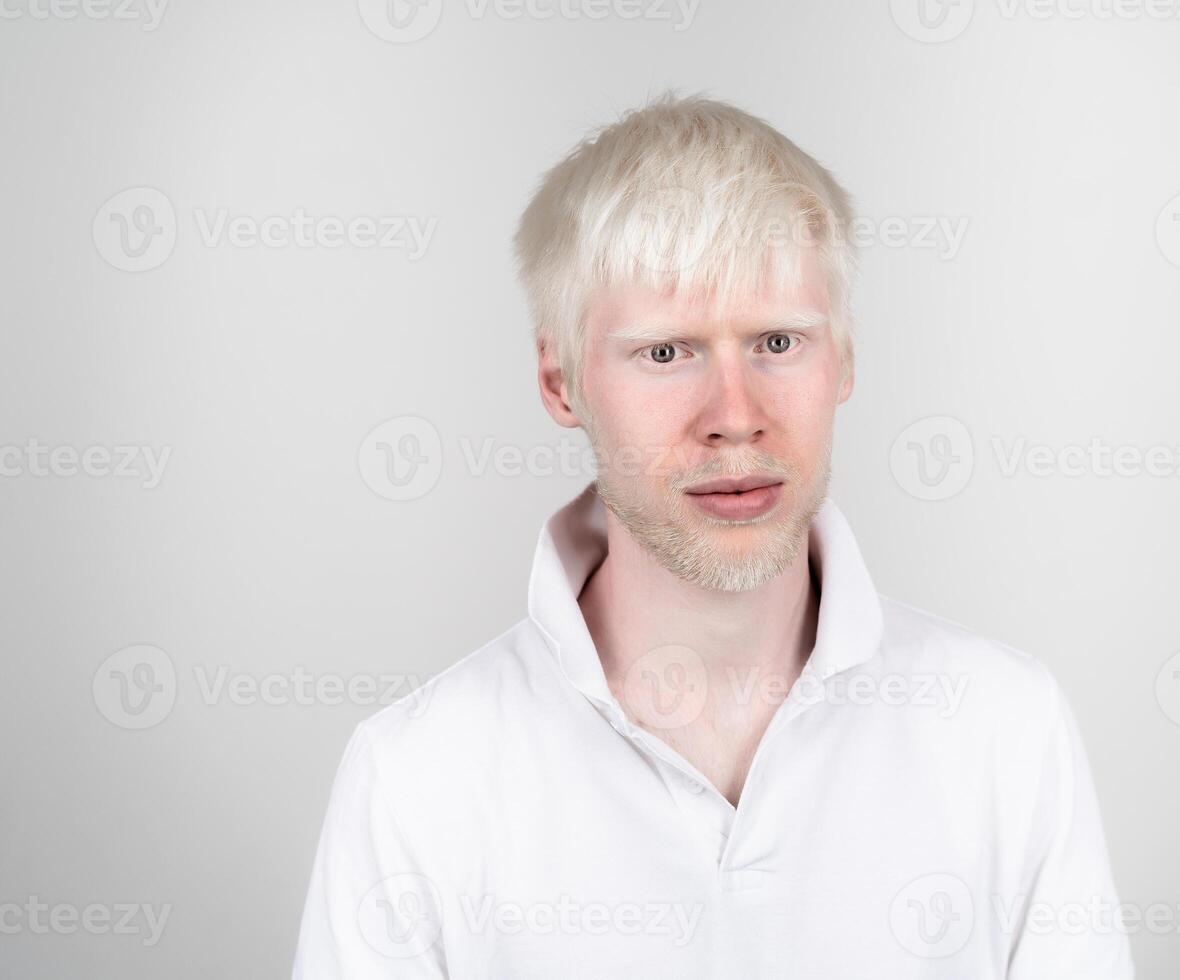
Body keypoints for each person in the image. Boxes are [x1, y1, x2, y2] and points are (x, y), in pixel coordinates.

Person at [292, 91, 1134, 979]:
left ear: (843, 358)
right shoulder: (417, 778)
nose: (736, 418)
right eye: (667, 352)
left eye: (778, 340)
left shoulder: (1004, 729)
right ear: (560, 379)